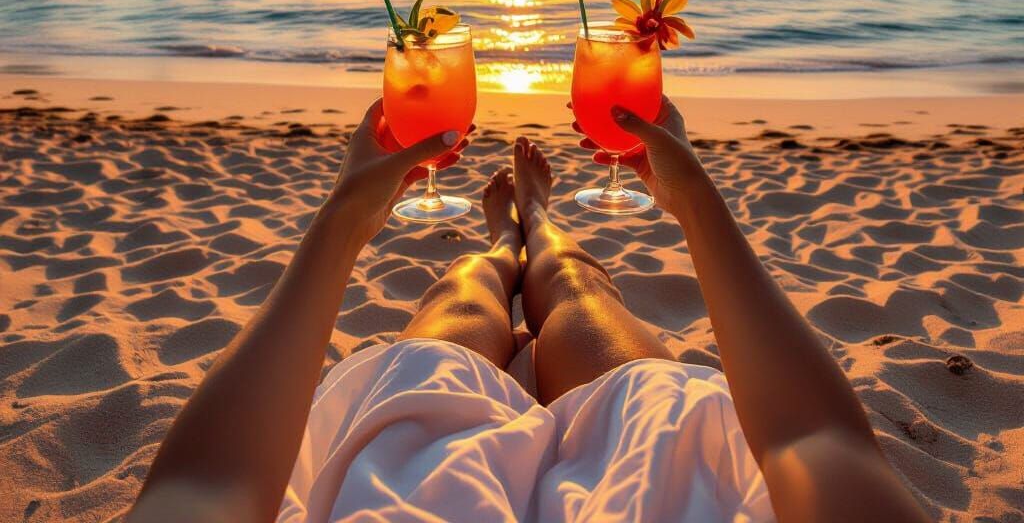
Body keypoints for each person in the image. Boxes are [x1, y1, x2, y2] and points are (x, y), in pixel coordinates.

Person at [127, 97, 929, 523]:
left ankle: (499, 245)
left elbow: (206, 486)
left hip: (409, 477)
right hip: (655, 472)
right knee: (580, 293)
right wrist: (694, 204)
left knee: (462, 300)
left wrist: (343, 224)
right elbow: (815, 439)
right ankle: (541, 228)